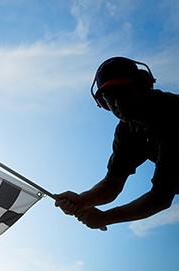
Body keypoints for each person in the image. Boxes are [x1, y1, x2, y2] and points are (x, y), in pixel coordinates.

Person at [55, 56, 179, 230]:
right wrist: (83, 200)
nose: (117, 103)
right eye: (108, 97)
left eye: (123, 92)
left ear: (143, 85)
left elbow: (160, 198)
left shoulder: (171, 114)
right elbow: (112, 184)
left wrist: (105, 217)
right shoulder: (127, 130)